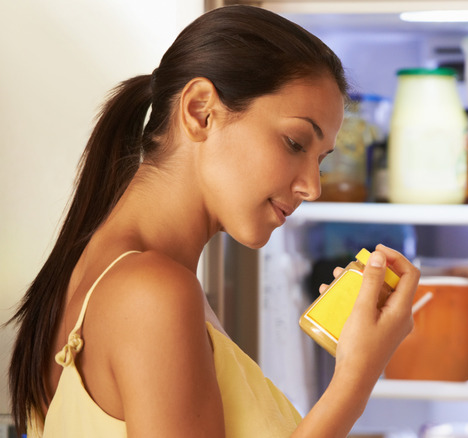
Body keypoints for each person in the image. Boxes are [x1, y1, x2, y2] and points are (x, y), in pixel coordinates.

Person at [7, 5, 420, 437]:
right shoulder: (152, 293)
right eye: (295, 142)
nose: (312, 187)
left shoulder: (110, 273)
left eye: (320, 160)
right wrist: (355, 380)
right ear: (201, 111)